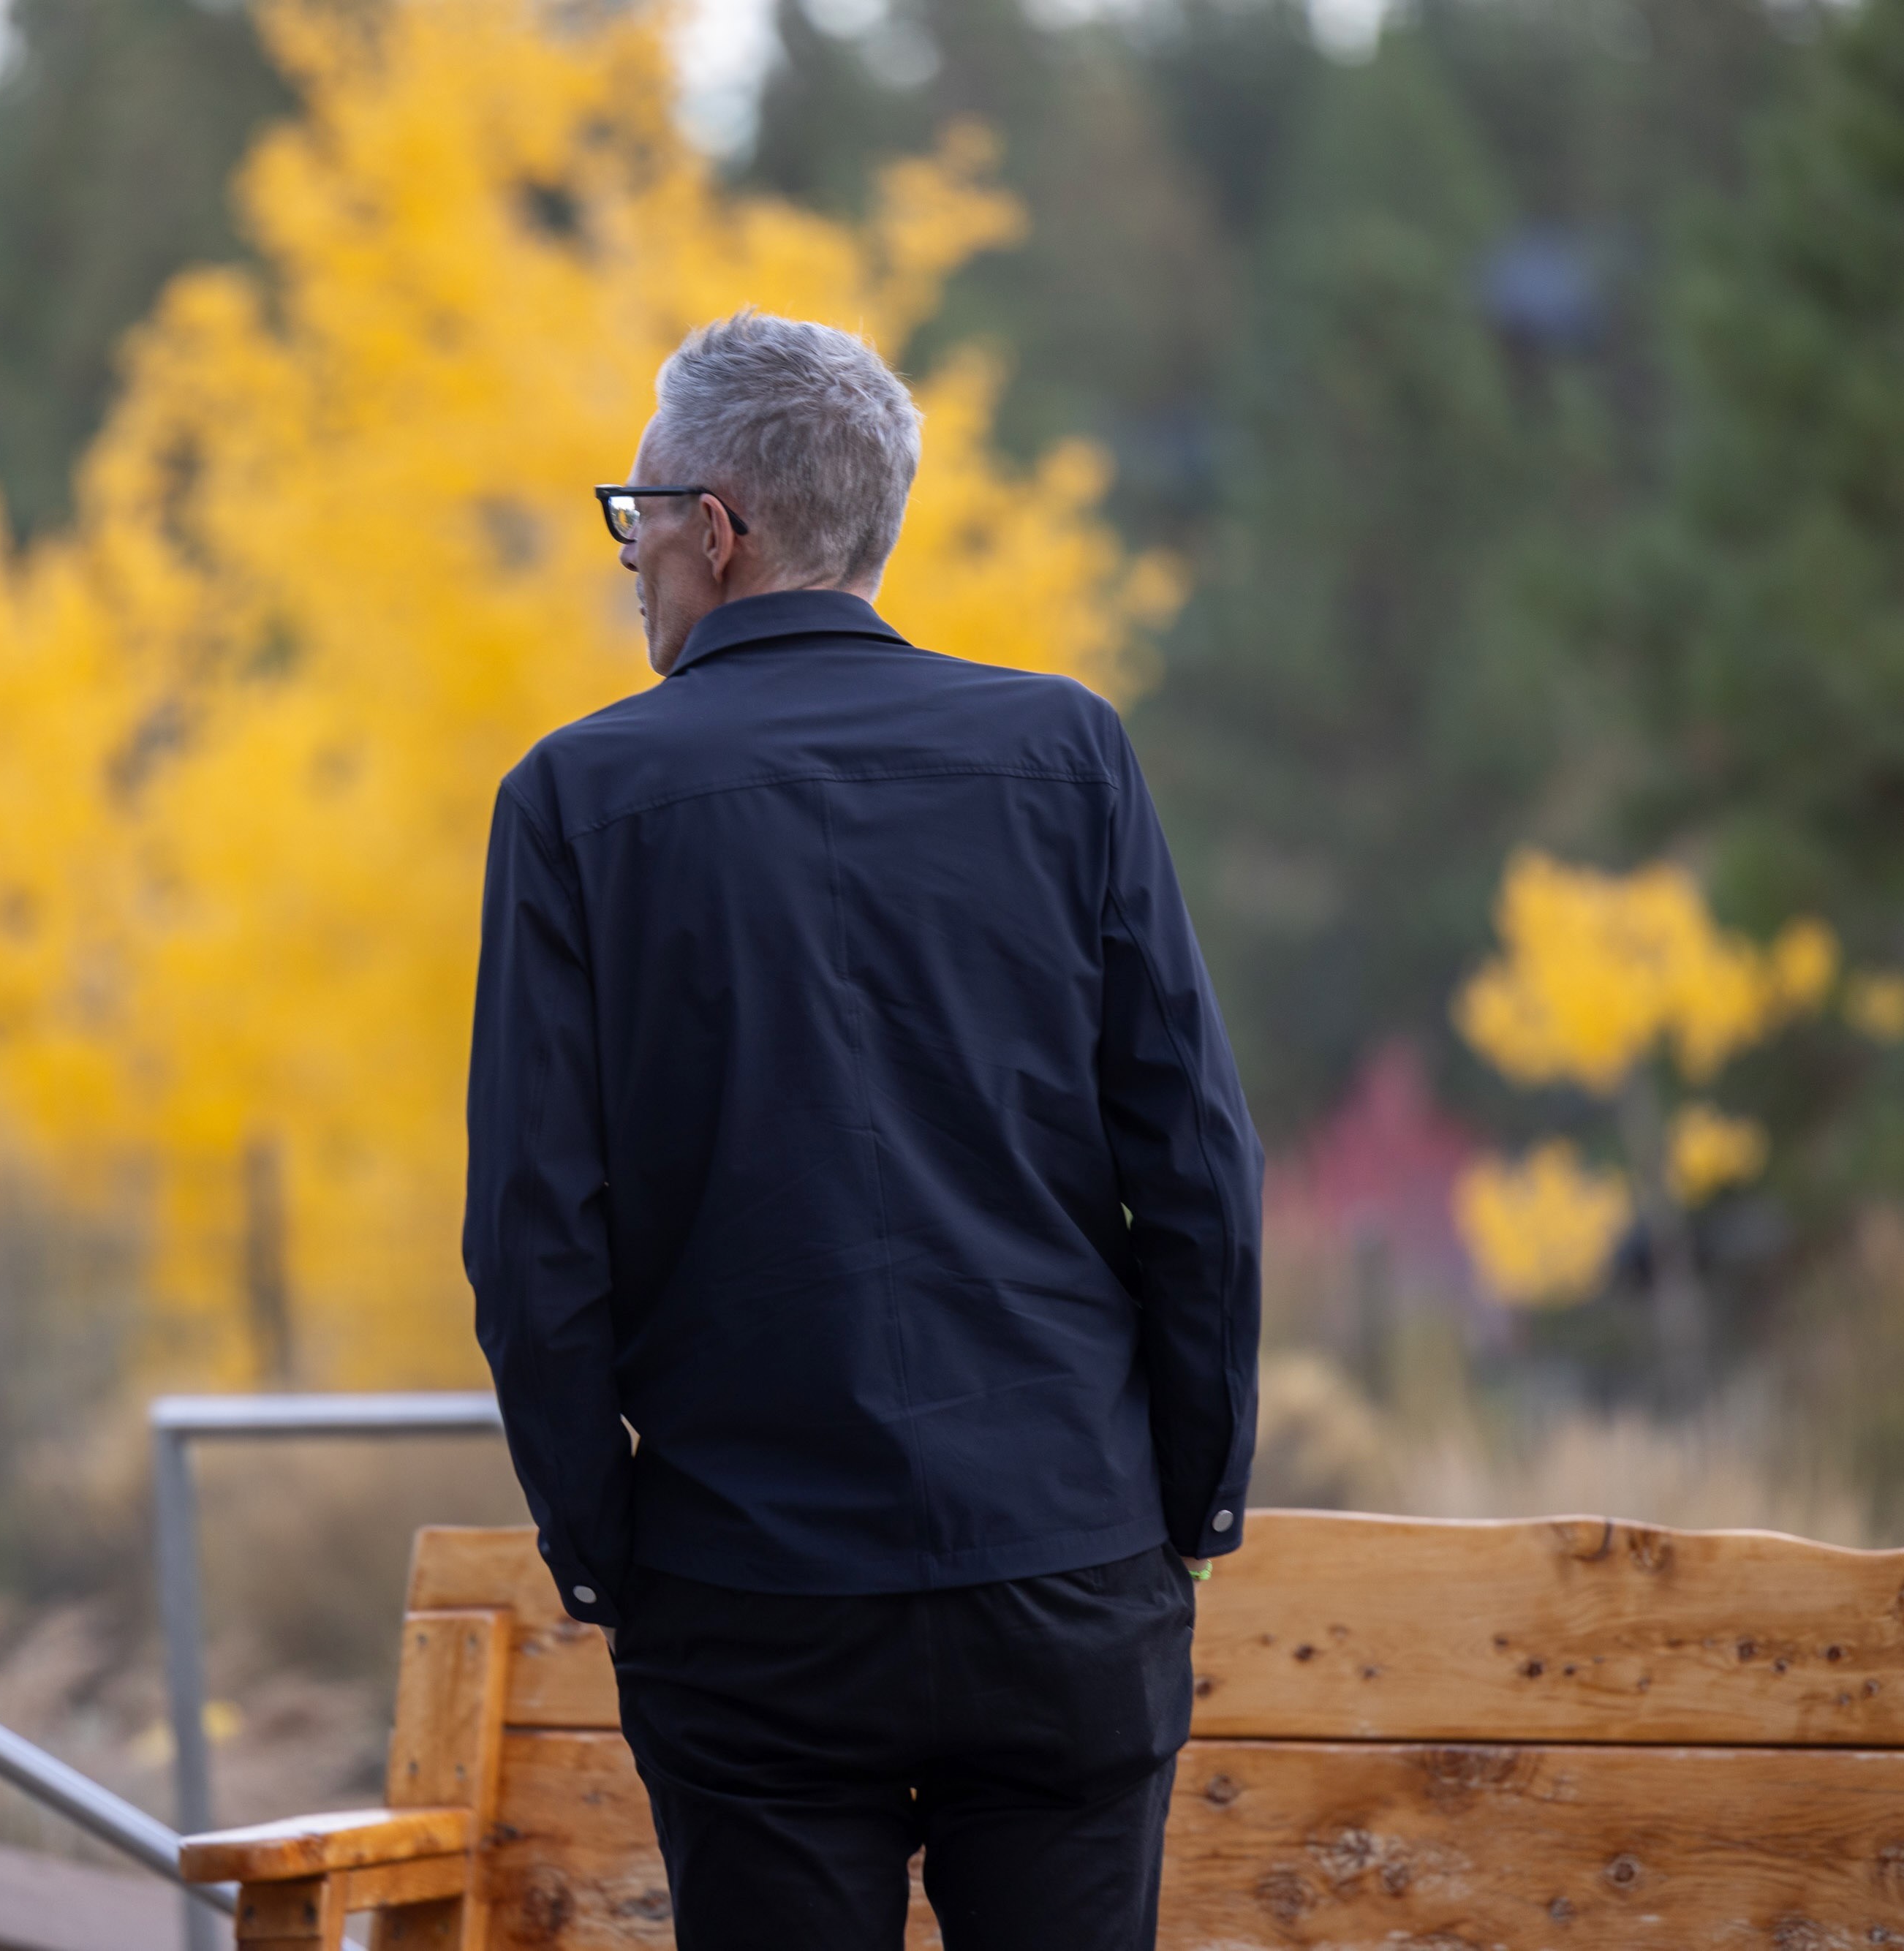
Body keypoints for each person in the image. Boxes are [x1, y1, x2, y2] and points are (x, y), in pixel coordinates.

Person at [464, 312, 1261, 1950]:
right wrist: (1176, 1506)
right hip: (1062, 1561)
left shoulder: (573, 802)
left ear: (718, 525)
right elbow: (1194, 1174)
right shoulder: (1067, 755)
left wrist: (612, 1549)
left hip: (748, 1590)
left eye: (639, 515)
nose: (632, 557)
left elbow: (533, 1236)